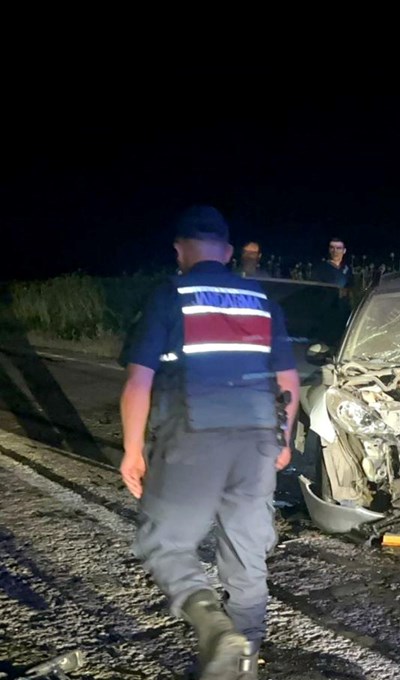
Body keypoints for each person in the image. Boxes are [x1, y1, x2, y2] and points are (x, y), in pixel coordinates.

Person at [119, 205, 299, 679]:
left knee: (166, 543)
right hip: (259, 439)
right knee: (247, 555)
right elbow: (288, 380)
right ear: (226, 251)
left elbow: (139, 381)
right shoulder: (262, 299)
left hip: (194, 437)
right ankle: (243, 666)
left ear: (180, 250)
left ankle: (216, 633)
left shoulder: (169, 295)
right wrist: (283, 440)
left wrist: (132, 451)